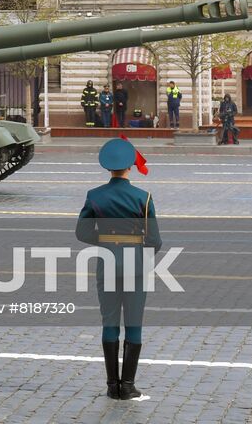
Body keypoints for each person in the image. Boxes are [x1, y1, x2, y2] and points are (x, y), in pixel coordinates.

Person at [76, 137, 163, 401]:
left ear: (108, 168)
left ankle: (112, 386)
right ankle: (128, 386)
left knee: (109, 323)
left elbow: (82, 232)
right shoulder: (143, 198)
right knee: (134, 324)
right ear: (130, 167)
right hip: (136, 267)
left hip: (107, 265)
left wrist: (106, 243)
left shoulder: (95, 196)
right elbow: (155, 241)